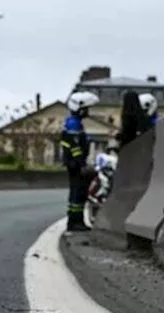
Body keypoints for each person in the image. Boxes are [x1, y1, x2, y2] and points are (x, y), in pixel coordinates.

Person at [60, 90, 98, 232]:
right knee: (78, 194)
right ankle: (75, 222)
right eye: (85, 109)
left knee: (77, 194)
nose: (87, 111)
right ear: (79, 108)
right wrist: (82, 164)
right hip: (75, 165)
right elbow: (75, 147)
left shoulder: (73, 123)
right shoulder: (74, 124)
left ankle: (75, 221)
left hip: (74, 164)